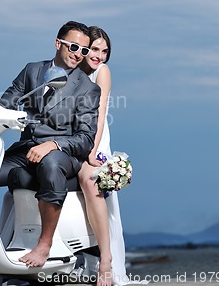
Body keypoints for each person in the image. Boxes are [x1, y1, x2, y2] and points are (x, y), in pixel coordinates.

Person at [0, 21, 100, 268]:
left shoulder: (87, 88)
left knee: (50, 165)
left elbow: (85, 138)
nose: (79, 54)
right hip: (25, 149)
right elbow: (6, 102)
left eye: (84, 50)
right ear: (58, 43)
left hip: (63, 153)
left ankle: (44, 244)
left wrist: (52, 144)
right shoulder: (32, 71)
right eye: (74, 46)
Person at [78, 26, 128, 286]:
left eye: (104, 51)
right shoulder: (71, 69)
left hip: (95, 143)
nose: (99, 56)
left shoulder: (102, 72)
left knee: (90, 179)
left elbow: (100, 113)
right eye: (95, 49)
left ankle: (105, 261)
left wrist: (91, 150)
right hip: (71, 141)